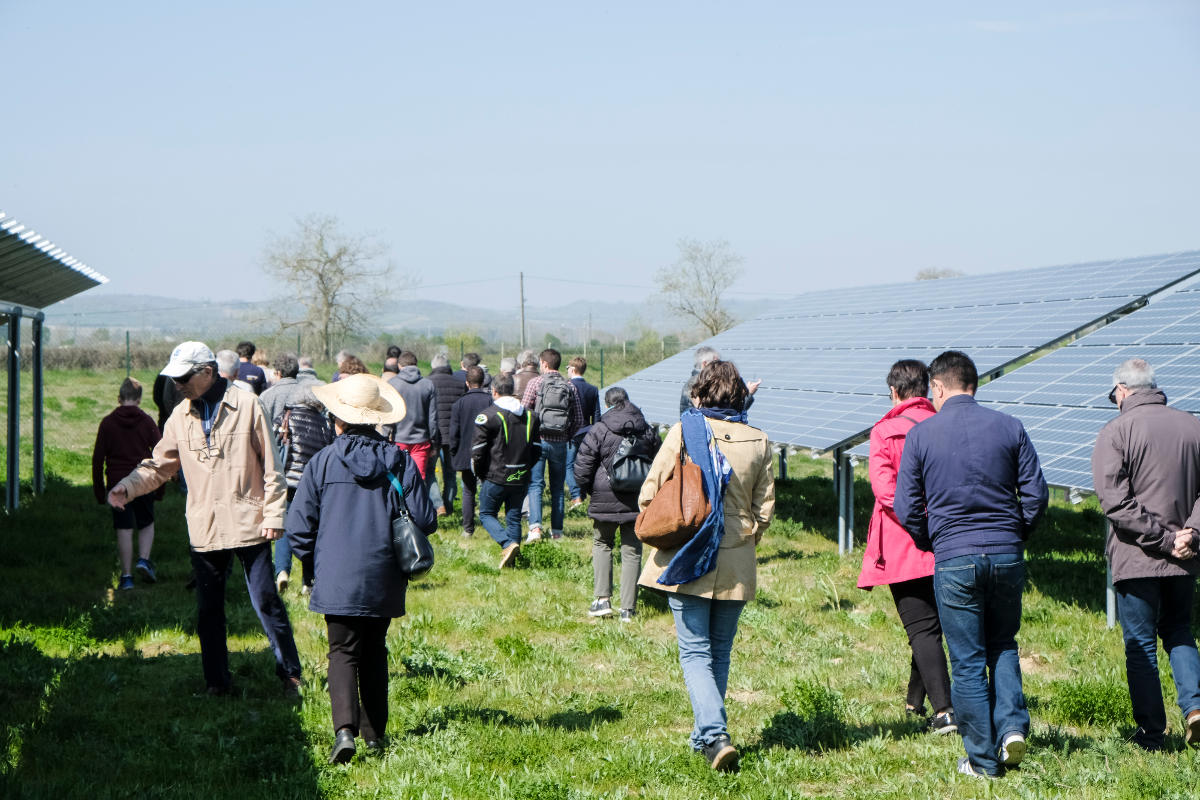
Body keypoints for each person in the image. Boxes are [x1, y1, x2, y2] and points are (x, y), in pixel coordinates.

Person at [108, 341, 303, 696]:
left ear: (207, 373)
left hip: (251, 521)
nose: (176, 384)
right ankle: (217, 682)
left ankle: (289, 673)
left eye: (183, 377)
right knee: (208, 610)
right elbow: (159, 465)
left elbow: (273, 466)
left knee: (266, 601)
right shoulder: (179, 417)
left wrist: (274, 514)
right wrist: (128, 486)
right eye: (174, 378)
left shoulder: (247, 405)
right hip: (204, 527)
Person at [894, 350, 1048, 779]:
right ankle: (1012, 729)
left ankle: (981, 760)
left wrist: (936, 541)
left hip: (955, 556)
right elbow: (1036, 496)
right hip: (1005, 553)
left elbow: (906, 507)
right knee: (1003, 643)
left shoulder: (922, 436)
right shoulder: (1009, 426)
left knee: (966, 660)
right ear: (974, 385)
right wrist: (1013, 537)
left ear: (938, 387)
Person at [286, 373, 436, 764]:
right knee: (373, 652)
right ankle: (374, 737)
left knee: (341, 652)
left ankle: (344, 732)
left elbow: (298, 527)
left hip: (336, 577)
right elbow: (425, 518)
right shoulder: (399, 460)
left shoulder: (321, 462)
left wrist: (314, 565)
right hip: (384, 575)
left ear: (338, 419)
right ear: (377, 418)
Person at [638, 360, 775, 772]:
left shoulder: (685, 431)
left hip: (689, 554)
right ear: (740, 397)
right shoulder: (760, 440)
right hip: (737, 557)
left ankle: (715, 733)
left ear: (700, 393)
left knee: (695, 651)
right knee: (720, 652)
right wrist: (744, 538)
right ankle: (706, 738)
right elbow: (764, 509)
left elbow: (651, 491)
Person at [1091, 357, 1200, 751]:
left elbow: (1117, 504)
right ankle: (1195, 707)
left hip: (1136, 558)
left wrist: (1164, 540)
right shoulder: (1193, 425)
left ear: (1122, 390)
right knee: (1178, 630)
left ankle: (1152, 734)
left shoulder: (1116, 431)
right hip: (1185, 558)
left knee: (1140, 644)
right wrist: (1191, 535)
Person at [856, 360, 955, 734]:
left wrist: (920, 522)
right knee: (931, 625)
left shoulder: (885, 431)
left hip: (905, 542)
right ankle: (915, 701)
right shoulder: (945, 425)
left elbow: (887, 493)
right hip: (949, 538)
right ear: (927, 389)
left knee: (922, 629)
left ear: (894, 392)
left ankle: (945, 710)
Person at [573, 387, 659, 621]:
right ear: (629, 402)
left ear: (607, 403)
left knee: (602, 544)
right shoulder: (647, 429)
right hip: (637, 497)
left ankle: (602, 601)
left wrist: (587, 489)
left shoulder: (600, 429)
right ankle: (628, 609)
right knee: (632, 550)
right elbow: (659, 462)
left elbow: (583, 465)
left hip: (604, 495)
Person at [261, 352, 332, 594]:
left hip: (288, 477)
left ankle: (282, 570)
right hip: (312, 484)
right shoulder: (324, 422)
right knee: (311, 528)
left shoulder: (287, 415)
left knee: (285, 524)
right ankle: (308, 581)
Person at [92, 378, 162, 590]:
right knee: (146, 522)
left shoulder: (107, 423)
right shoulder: (148, 422)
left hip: (116, 483)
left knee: (123, 528)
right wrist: (159, 489)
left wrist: (99, 491)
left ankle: (127, 577)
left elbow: (98, 459)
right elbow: (160, 455)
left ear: (119, 398)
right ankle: (143, 559)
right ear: (139, 399)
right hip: (142, 481)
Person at [473, 374, 541, 568]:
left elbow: (477, 453)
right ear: (512, 391)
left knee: (486, 513)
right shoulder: (531, 416)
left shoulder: (487, 416)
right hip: (520, 475)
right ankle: (512, 560)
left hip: (496, 476)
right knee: (513, 516)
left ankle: (507, 543)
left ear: (494, 392)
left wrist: (481, 474)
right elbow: (537, 450)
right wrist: (525, 468)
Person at [521, 348, 583, 541]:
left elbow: (523, 411)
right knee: (557, 487)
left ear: (545, 364)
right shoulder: (569, 386)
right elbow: (579, 419)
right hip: (560, 443)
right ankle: (557, 532)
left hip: (538, 442)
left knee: (535, 485)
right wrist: (566, 435)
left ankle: (535, 529)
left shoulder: (535, 383)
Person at [386, 352, 440, 503]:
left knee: (398, 477)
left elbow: (389, 415)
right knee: (419, 478)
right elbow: (433, 418)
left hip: (398, 439)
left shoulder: (393, 384)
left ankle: (399, 510)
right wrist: (434, 441)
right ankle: (417, 511)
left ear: (399, 365)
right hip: (421, 441)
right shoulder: (428, 384)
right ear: (416, 364)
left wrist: (385, 437)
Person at [449, 367, 493, 537]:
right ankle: (489, 523)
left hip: (465, 453)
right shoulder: (490, 401)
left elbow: (454, 433)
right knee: (487, 489)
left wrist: (454, 451)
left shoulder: (458, 404)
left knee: (468, 491)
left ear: (467, 383)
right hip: (487, 453)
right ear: (483, 382)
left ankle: (468, 529)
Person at [428, 353, 466, 516]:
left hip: (434, 435)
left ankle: (438, 504)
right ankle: (449, 505)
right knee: (450, 473)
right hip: (453, 435)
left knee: (429, 472)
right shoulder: (459, 384)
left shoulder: (427, 383)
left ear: (433, 367)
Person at [679, 346, 761, 417]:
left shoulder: (694, 382)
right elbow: (726, 415)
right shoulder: (704, 384)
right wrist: (748, 393)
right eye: (716, 362)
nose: (720, 366)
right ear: (704, 364)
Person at [565, 356, 602, 512]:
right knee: (587, 464)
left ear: (573, 369)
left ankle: (576, 495)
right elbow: (597, 414)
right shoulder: (592, 389)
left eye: (567, 368)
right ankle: (588, 493)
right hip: (588, 432)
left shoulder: (567, 387)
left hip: (572, 433)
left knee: (569, 465)